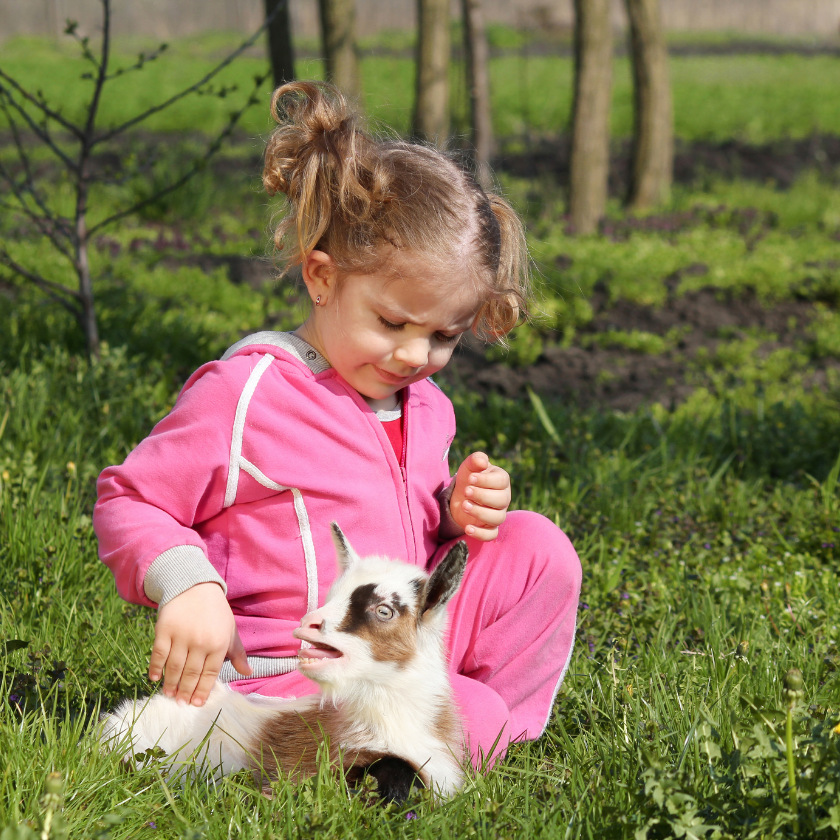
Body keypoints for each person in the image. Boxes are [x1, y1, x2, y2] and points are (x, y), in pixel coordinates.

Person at [94, 81, 581, 770]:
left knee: (538, 548)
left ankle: (467, 729)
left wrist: (451, 512)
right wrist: (189, 583)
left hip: (392, 641)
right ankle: (446, 736)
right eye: (392, 323)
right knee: (469, 718)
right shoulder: (249, 394)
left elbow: (405, 537)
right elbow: (131, 498)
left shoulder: (424, 403)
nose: (418, 355)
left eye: (444, 334)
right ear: (322, 277)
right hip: (298, 671)